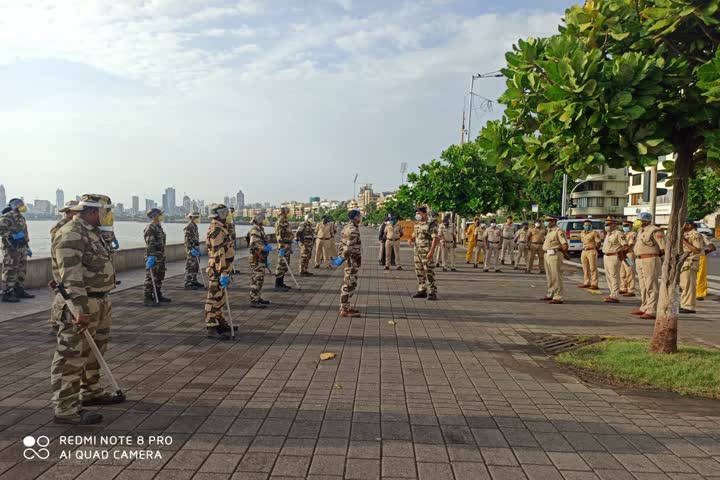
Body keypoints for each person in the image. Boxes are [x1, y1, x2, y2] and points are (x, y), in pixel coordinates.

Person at [51, 194, 125, 425]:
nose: (107, 215)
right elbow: (71, 278)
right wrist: (79, 311)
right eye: (106, 211)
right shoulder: (72, 233)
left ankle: (90, 392)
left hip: (100, 300)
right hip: (80, 304)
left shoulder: (93, 233)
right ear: (94, 211)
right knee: (71, 355)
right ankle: (66, 408)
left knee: (95, 351)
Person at [205, 204, 234, 339]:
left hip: (223, 267)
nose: (226, 214)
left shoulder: (221, 228)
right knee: (213, 298)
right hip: (217, 268)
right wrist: (223, 271)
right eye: (224, 212)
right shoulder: (216, 230)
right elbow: (218, 253)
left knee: (220, 298)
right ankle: (211, 327)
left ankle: (219, 322)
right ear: (218, 214)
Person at [48, 200, 79, 329]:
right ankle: (56, 320)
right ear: (70, 211)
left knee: (63, 293)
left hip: (67, 262)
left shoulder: (73, 224)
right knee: (62, 293)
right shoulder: (62, 226)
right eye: (76, 210)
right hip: (63, 263)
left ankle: (58, 319)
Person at [632, 211, 665, 320]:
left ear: (646, 220)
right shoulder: (640, 231)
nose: (638, 222)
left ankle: (652, 309)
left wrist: (655, 256)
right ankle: (644, 306)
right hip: (639, 259)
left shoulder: (655, 230)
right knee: (643, 285)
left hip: (650, 259)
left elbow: (663, 247)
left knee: (651, 285)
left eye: (639, 220)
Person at [0, 198, 34, 302]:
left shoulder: (21, 218)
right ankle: (6, 293)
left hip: (22, 248)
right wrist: (12, 237)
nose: (23, 206)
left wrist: (27, 247)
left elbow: (24, 234)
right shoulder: (7, 217)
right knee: (10, 270)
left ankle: (18, 290)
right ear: (15, 206)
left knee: (21, 270)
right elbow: (1, 229)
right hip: (11, 249)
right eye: (21, 205)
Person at [409, 206, 439, 300]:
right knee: (419, 272)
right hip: (417, 252)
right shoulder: (417, 224)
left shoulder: (431, 224)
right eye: (416, 214)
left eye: (419, 213)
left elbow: (435, 238)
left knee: (429, 271)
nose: (417, 215)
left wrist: (431, 251)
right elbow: (415, 236)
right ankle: (422, 290)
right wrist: (411, 239)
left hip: (426, 251)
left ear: (424, 214)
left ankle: (432, 291)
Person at [337, 209, 363, 317]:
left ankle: (346, 305)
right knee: (349, 284)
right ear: (355, 217)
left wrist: (340, 256)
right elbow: (347, 248)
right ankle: (344, 309)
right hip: (351, 260)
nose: (361, 218)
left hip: (350, 260)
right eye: (359, 216)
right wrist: (342, 258)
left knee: (350, 282)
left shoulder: (347, 227)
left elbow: (341, 244)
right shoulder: (353, 230)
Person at [143, 208, 170, 306]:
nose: (161, 216)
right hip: (153, 257)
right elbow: (150, 244)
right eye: (159, 214)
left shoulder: (158, 227)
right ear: (154, 216)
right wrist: (151, 256)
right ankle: (148, 297)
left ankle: (157, 294)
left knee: (159, 276)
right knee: (151, 278)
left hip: (160, 256)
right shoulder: (150, 228)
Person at [541, 215, 568, 304]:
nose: (546, 222)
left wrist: (560, 251)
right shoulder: (548, 231)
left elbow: (564, 245)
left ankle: (558, 296)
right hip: (547, 255)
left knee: (556, 276)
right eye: (546, 220)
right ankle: (550, 293)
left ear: (554, 222)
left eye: (549, 220)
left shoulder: (558, 231)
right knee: (549, 276)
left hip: (555, 255)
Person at [601, 217, 628, 303]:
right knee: (608, 276)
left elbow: (625, 246)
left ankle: (615, 295)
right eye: (605, 224)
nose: (606, 226)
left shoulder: (618, 233)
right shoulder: (608, 234)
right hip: (606, 256)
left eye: (608, 224)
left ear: (614, 225)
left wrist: (621, 254)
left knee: (614, 276)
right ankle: (612, 293)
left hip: (614, 256)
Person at [680, 220, 704, 314]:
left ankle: (689, 306)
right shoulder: (685, 234)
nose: (683, 226)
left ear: (689, 225)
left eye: (685, 224)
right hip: (684, 261)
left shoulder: (695, 235)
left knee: (689, 285)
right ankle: (684, 304)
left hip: (690, 262)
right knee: (684, 285)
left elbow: (697, 249)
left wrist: (684, 241)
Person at [248, 213, 272, 308]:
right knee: (257, 279)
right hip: (256, 258)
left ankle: (257, 297)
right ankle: (254, 300)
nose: (265, 220)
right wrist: (264, 247)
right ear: (259, 220)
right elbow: (254, 244)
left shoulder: (260, 229)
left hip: (260, 257)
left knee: (260, 279)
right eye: (263, 219)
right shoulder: (255, 230)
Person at [274, 206, 294, 291]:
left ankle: (281, 283)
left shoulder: (285, 221)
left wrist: (290, 246)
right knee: (281, 266)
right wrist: (281, 248)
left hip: (287, 246)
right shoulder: (280, 222)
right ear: (284, 212)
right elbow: (279, 236)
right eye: (288, 212)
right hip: (283, 246)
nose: (289, 213)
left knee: (285, 265)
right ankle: (278, 284)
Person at [579, 219, 601, 289]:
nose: (587, 226)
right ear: (583, 226)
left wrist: (595, 249)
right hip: (584, 251)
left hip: (591, 251)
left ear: (591, 226)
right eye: (586, 225)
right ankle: (586, 282)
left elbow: (598, 242)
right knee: (585, 268)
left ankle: (594, 284)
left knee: (593, 268)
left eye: (588, 225)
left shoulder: (594, 233)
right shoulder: (582, 233)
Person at [183, 211, 204, 290]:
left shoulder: (195, 226)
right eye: (196, 217)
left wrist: (198, 249)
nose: (197, 219)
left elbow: (196, 239)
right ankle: (188, 283)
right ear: (191, 218)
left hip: (195, 249)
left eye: (197, 217)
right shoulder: (189, 226)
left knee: (196, 266)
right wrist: (191, 249)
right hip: (191, 250)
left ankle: (194, 281)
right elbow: (187, 240)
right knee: (190, 266)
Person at [619, 220, 637, 296]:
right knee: (622, 272)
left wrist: (623, 252)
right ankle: (624, 288)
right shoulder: (623, 234)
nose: (625, 227)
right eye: (624, 225)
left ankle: (631, 290)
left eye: (627, 225)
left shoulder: (633, 234)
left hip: (628, 254)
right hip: (622, 254)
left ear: (631, 226)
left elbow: (629, 245)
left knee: (629, 272)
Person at [696, 232, 716, 301]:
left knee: (700, 276)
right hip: (690, 257)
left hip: (699, 257)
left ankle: (699, 294)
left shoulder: (701, 235)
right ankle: (696, 293)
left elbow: (712, 247)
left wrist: (703, 252)